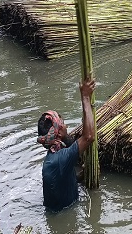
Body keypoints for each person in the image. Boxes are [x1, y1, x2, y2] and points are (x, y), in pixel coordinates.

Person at [37, 78, 96, 212]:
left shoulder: (54, 157)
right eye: (62, 123)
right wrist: (85, 97)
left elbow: (61, 180)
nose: (66, 125)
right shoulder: (60, 158)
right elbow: (89, 137)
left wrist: (79, 177)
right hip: (64, 214)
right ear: (57, 134)